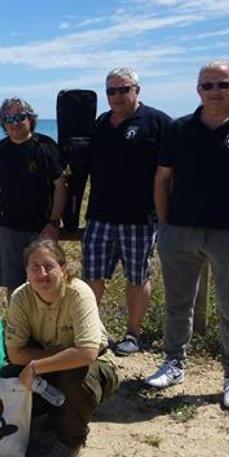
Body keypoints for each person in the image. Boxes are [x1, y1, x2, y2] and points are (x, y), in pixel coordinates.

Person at [146, 60, 229, 413]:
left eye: (223, 84)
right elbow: (162, 178)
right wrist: (164, 225)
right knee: (177, 305)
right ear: (198, 90)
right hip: (181, 232)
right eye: (208, 85)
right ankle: (174, 363)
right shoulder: (180, 128)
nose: (215, 91)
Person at [0, 239, 119, 457]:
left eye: (49, 266)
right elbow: (15, 354)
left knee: (75, 378)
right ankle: (52, 416)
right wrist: (60, 358)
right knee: (7, 378)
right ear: (26, 272)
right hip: (51, 358)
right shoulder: (21, 297)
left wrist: (36, 366)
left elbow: (87, 352)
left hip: (97, 365)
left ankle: (71, 440)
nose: (42, 273)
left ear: (63, 269)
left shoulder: (79, 293)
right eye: (35, 267)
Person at [81, 68, 173, 355]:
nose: (117, 96)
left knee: (137, 277)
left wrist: (167, 216)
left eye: (124, 89)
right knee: (92, 277)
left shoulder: (158, 123)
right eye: (111, 91)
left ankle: (132, 334)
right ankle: (91, 332)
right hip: (99, 216)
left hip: (140, 219)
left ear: (137, 90)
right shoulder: (100, 124)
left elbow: (171, 174)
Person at [0, 98, 66, 300]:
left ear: (30, 119)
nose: (14, 122)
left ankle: (45, 328)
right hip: (9, 227)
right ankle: (17, 329)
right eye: (9, 118)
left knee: (46, 280)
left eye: (19, 117)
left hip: (42, 227)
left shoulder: (46, 146)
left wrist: (53, 222)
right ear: (3, 123)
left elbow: (60, 186)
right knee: (14, 285)